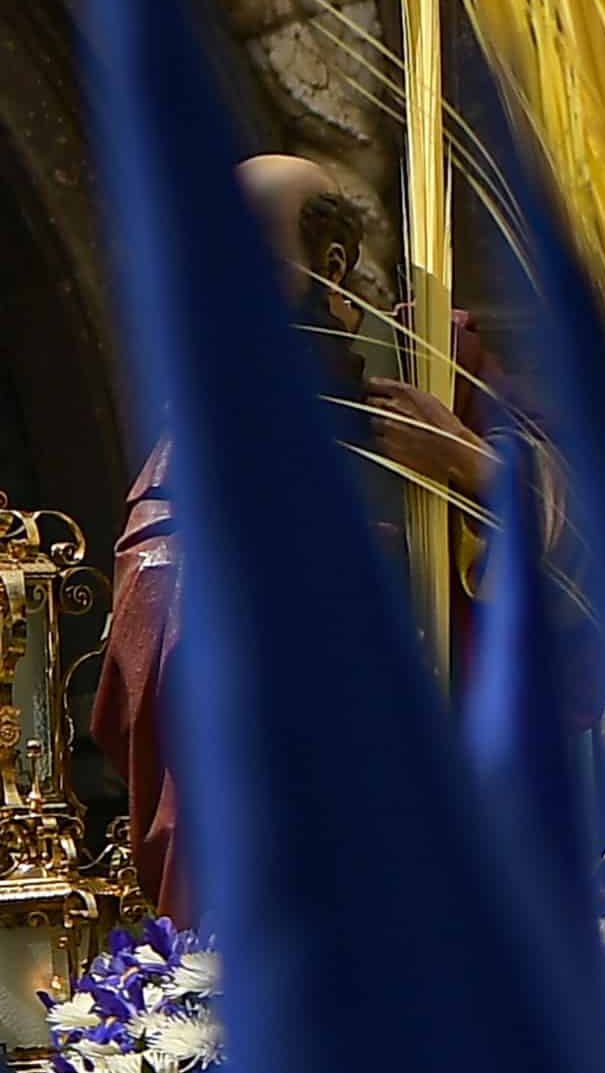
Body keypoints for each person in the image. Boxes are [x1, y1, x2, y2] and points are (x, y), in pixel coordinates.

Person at [85, 153, 480, 923]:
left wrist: (470, 464)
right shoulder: (197, 437)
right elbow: (144, 637)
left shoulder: (441, 374)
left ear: (329, 264)